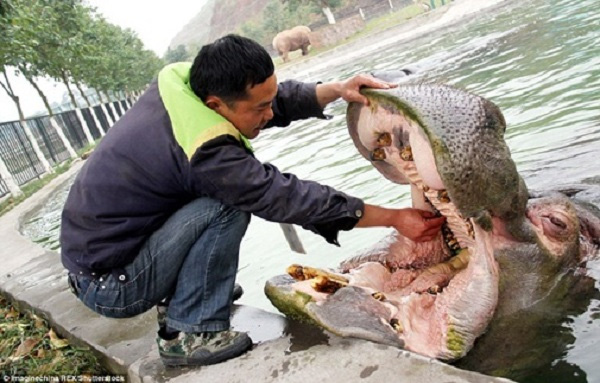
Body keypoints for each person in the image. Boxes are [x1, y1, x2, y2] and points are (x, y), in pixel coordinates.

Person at [60, 34, 445, 367]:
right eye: (260, 109)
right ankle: (188, 334)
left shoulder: (182, 85)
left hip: (109, 257)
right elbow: (285, 197)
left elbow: (268, 101)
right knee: (226, 205)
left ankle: (189, 297)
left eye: (270, 101)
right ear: (215, 105)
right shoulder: (207, 153)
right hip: (111, 284)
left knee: (217, 197)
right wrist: (394, 217)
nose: (268, 113)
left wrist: (334, 90)